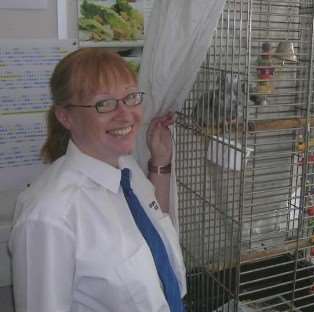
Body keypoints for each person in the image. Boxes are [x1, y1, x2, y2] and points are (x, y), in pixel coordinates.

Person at [8, 48, 186, 312]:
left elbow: (153, 225)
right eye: (105, 103)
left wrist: (160, 161)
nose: (125, 115)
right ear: (65, 116)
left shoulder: (126, 168)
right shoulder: (49, 217)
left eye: (130, 97)